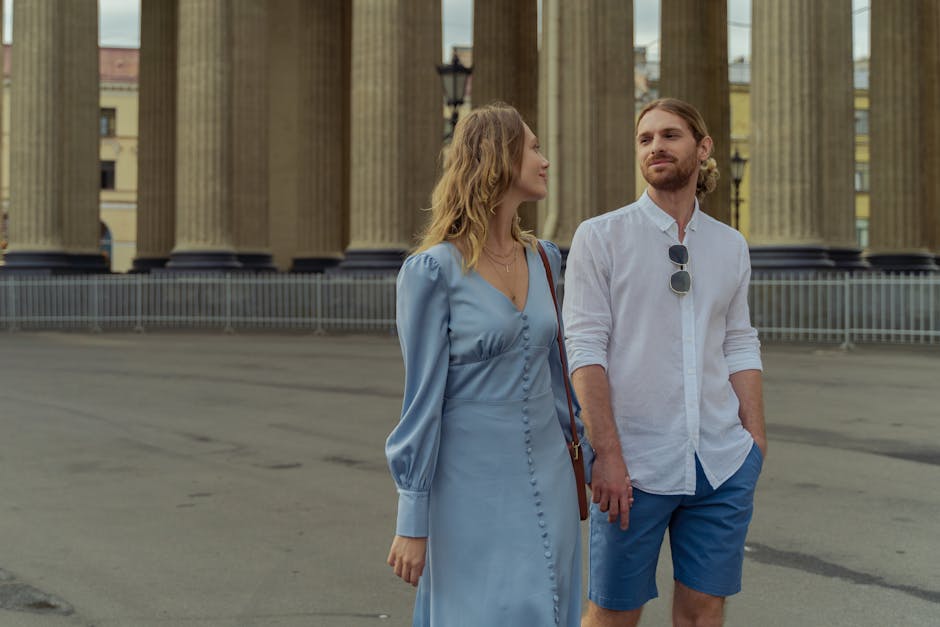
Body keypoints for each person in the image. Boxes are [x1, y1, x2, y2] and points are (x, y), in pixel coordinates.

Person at [385, 103, 594, 626]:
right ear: (500, 158)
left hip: (549, 474)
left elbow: (557, 377)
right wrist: (412, 516)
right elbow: (421, 402)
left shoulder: (545, 257)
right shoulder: (432, 271)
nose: (544, 160)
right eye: (534, 147)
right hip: (467, 485)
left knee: (546, 603)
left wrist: (595, 462)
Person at [563, 98, 766, 627]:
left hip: (720, 462)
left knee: (703, 613)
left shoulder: (729, 244)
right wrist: (605, 454)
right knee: (613, 614)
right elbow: (585, 352)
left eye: (670, 135)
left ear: (702, 149)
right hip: (632, 468)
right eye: (645, 138)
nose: (656, 146)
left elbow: (740, 341)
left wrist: (755, 443)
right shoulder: (600, 236)